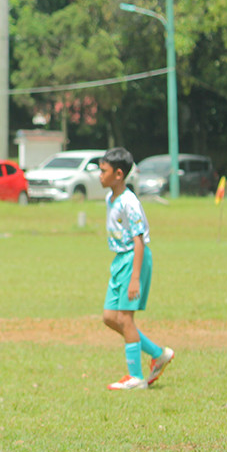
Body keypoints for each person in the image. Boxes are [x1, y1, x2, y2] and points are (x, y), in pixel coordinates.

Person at [98, 147, 175, 390]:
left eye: (104, 171)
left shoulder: (129, 202)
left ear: (119, 174)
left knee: (125, 318)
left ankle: (136, 378)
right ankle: (158, 354)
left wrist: (135, 278)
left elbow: (139, 240)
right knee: (110, 318)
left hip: (134, 259)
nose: (100, 176)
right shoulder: (111, 198)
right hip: (120, 260)